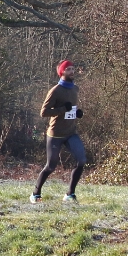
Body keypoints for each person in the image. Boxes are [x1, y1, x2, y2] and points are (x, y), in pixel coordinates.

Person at [32, 60, 86, 203]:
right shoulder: (55, 90)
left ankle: (70, 194)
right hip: (55, 134)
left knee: (81, 160)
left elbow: (71, 110)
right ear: (62, 72)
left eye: (73, 68)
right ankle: (35, 194)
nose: (72, 71)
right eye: (68, 69)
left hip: (71, 133)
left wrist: (77, 113)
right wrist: (62, 109)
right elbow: (44, 112)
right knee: (50, 166)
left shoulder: (75, 89)